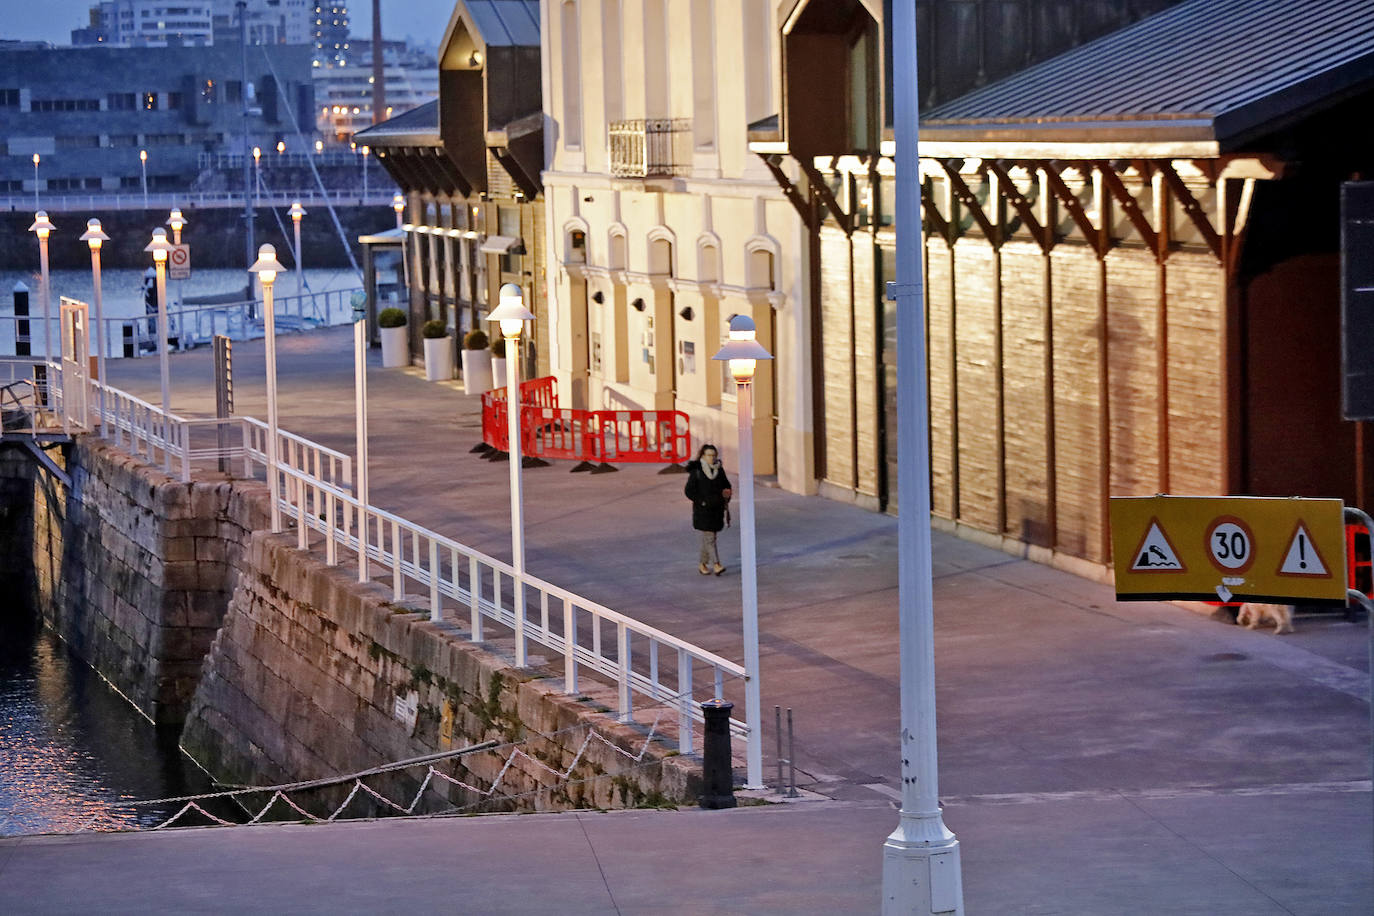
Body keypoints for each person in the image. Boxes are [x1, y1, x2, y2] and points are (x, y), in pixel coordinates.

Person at [684, 443, 732, 575]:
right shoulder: (697, 471)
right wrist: (702, 501)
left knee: (710, 537)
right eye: (709, 455)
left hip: (717, 510)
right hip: (703, 510)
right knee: (710, 537)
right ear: (703, 456)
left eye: (714, 455)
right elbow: (688, 491)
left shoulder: (719, 470)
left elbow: (726, 485)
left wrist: (727, 492)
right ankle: (716, 564)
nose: (712, 458)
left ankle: (702, 564)